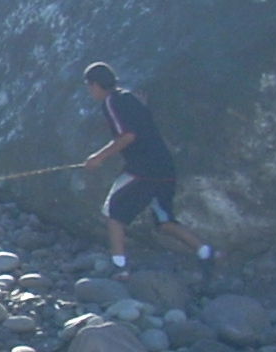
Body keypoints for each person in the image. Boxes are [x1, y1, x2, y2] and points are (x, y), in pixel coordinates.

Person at [80, 61, 217, 273]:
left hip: (142, 170)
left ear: (96, 85)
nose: (90, 91)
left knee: (113, 212)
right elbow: (139, 123)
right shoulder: (130, 98)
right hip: (165, 167)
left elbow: (127, 135)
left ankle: (119, 266)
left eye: (89, 86)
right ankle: (206, 252)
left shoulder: (111, 102)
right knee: (164, 221)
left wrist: (98, 157)